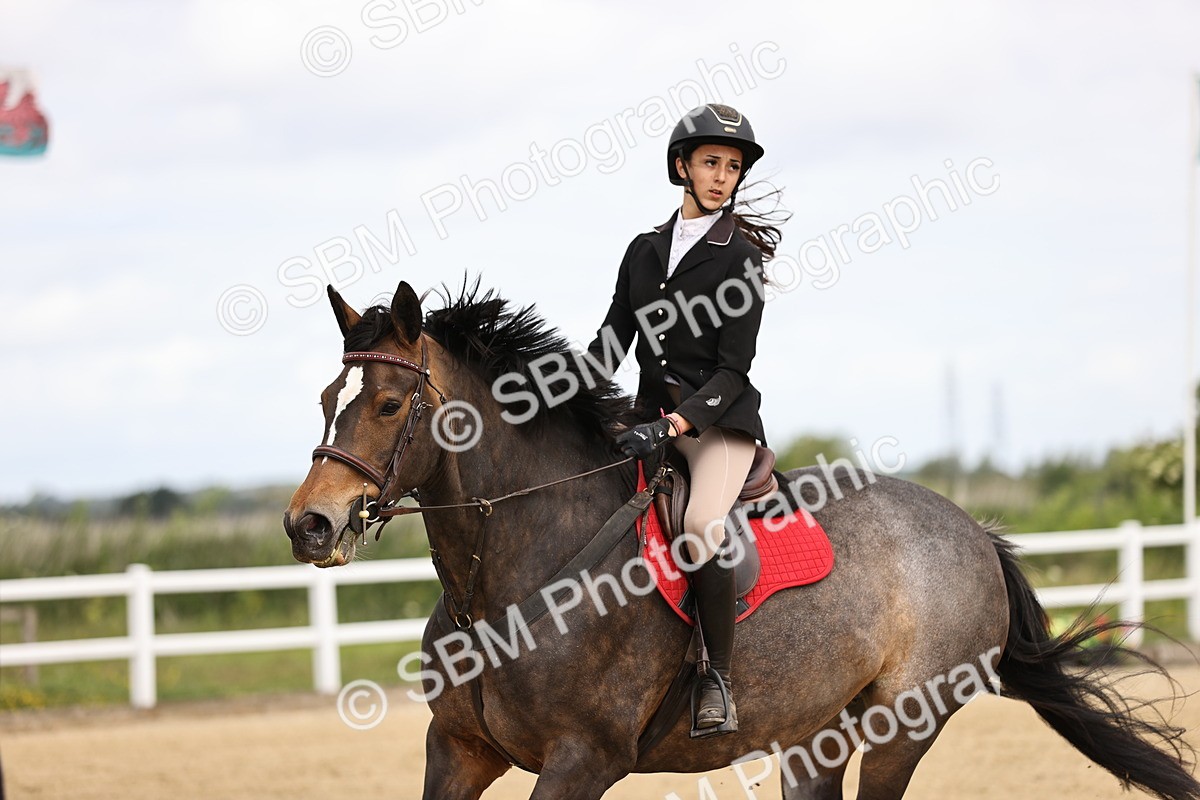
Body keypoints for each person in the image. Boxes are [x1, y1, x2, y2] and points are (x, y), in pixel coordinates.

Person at [586, 103, 785, 736]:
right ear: (682, 167)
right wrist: (556, 399)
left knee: (700, 523)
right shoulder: (643, 252)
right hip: (645, 416)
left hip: (717, 425)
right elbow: (611, 344)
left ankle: (716, 677)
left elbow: (734, 371)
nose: (722, 176)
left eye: (732, 167)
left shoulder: (740, 257)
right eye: (710, 163)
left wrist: (675, 427)